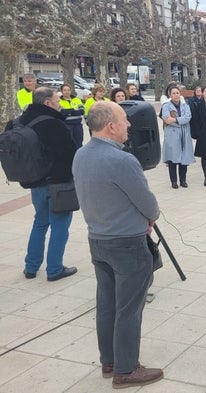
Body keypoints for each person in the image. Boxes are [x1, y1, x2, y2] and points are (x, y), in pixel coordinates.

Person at [72, 101, 162, 389]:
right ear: (111, 125)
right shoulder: (123, 160)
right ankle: (126, 369)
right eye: (125, 119)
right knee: (129, 309)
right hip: (127, 244)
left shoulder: (81, 154)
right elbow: (148, 204)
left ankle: (109, 361)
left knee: (107, 304)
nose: (130, 125)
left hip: (97, 239)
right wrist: (150, 218)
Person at [18, 87, 78, 281]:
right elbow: (70, 152)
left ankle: (31, 267)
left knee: (40, 222)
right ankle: (54, 269)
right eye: (56, 100)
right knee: (60, 224)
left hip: (34, 181)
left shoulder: (21, 120)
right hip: (58, 182)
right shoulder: (53, 124)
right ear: (47, 103)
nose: (59, 103)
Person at [161, 86, 195, 188]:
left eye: (177, 93)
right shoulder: (166, 106)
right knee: (172, 159)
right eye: (173, 93)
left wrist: (175, 120)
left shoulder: (185, 105)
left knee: (183, 158)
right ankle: (174, 181)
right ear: (170, 95)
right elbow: (166, 119)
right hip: (172, 134)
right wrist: (180, 120)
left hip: (184, 133)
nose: (176, 95)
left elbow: (188, 117)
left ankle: (183, 180)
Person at [59, 83, 85, 147]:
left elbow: (82, 111)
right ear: (62, 91)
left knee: (79, 143)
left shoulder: (77, 100)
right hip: (66, 125)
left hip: (77, 125)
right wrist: (73, 110)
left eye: (68, 90)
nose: (67, 92)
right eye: (65, 90)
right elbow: (61, 113)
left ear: (70, 91)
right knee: (68, 144)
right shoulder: (59, 101)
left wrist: (68, 111)